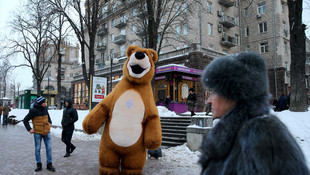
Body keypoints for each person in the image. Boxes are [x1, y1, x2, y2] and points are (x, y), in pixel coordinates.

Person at [199, 52, 309, 175]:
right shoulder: (233, 131)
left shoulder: (264, 135)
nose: (209, 100)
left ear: (233, 94)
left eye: (214, 92)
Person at [23, 96, 56, 172]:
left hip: (47, 132)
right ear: (40, 103)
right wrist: (29, 129)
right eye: (44, 102)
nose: (45, 103)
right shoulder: (33, 111)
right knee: (38, 149)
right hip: (38, 133)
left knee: (49, 148)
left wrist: (50, 122)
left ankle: (49, 164)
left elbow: (48, 116)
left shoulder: (45, 109)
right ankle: (39, 164)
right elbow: (25, 120)